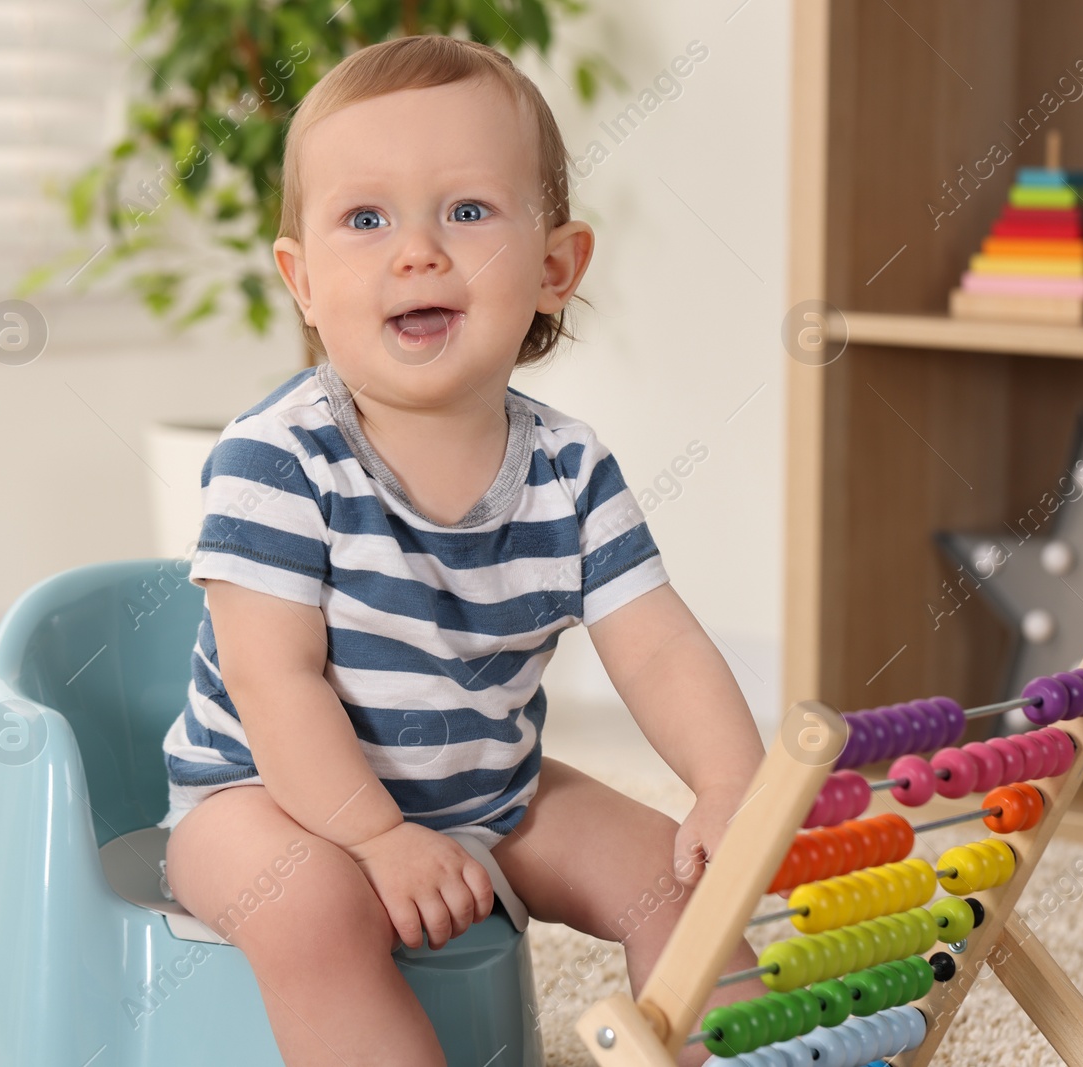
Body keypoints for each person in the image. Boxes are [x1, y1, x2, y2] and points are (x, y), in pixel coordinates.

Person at [158, 34, 766, 1066]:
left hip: (493, 790)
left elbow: (657, 647)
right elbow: (274, 682)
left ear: (554, 267)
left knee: (678, 878)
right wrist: (374, 835)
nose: (417, 251)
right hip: (264, 797)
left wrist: (725, 779)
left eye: (468, 211)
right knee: (309, 907)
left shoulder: (568, 469)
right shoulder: (276, 457)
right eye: (366, 218)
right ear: (302, 281)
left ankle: (748, 1054)